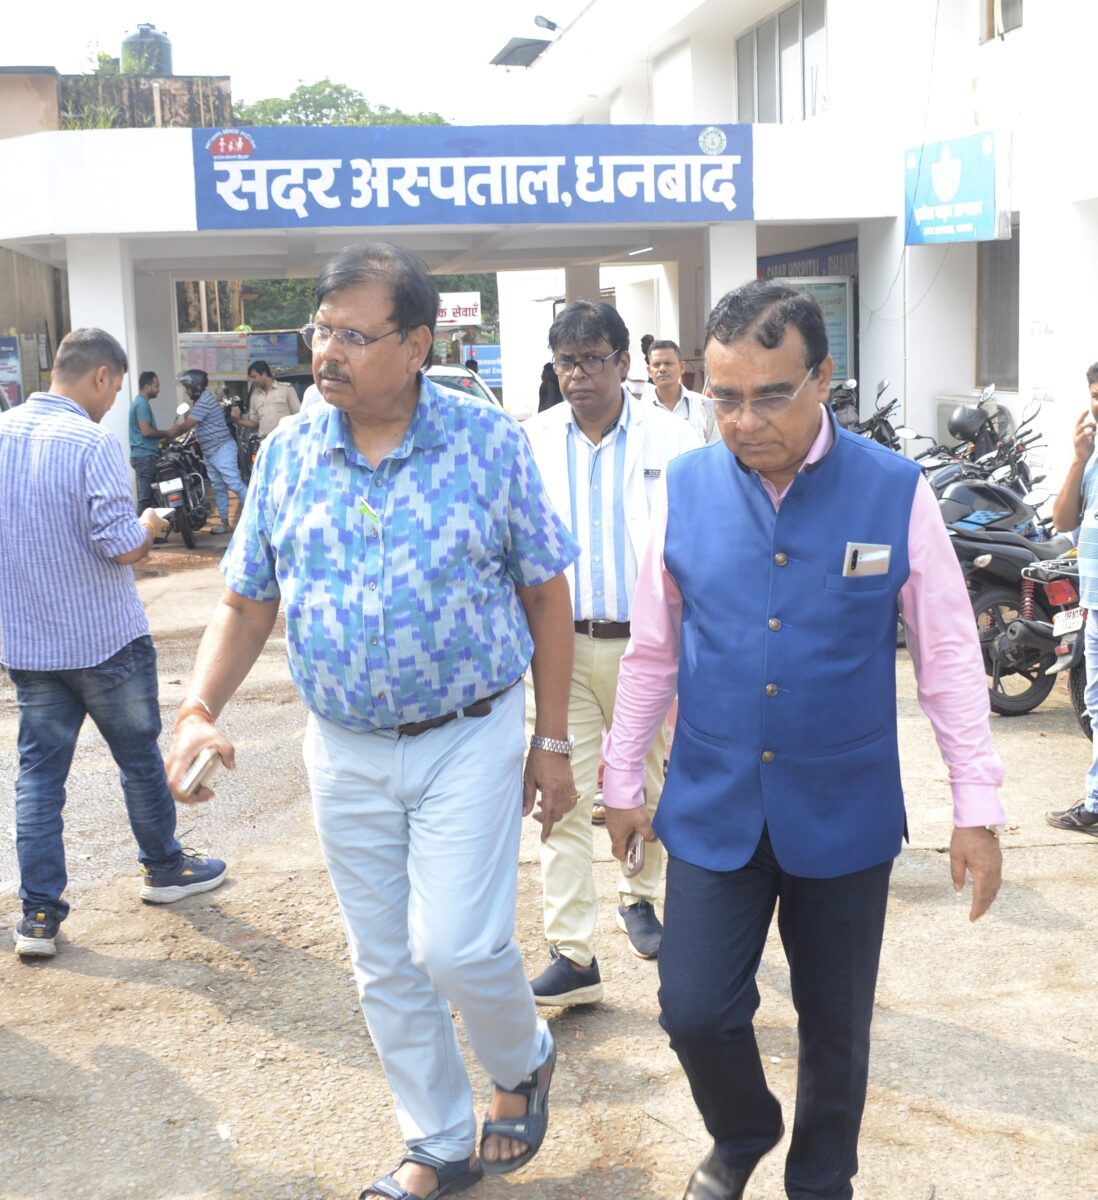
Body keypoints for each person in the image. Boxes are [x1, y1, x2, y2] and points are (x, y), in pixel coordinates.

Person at [163, 242, 580, 1200]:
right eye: (323, 330)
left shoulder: (485, 443)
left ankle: (522, 1058)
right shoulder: (288, 453)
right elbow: (246, 601)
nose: (329, 352)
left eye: (356, 335)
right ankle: (437, 1143)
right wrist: (196, 709)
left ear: (417, 345)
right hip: (345, 747)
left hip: (468, 733)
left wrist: (551, 742)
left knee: (457, 946)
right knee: (385, 961)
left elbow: (545, 592)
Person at [601, 280, 1005, 1200]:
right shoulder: (685, 490)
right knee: (694, 1009)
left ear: (823, 379)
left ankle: (822, 1180)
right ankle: (743, 1129)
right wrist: (622, 780)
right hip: (712, 803)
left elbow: (947, 657)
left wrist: (976, 808)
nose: (745, 422)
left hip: (844, 809)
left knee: (835, 1025)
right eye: (724, 398)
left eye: (770, 395)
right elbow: (653, 652)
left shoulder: (894, 491)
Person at [0, 329, 227, 960]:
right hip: (103, 642)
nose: (113, 402)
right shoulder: (90, 441)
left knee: (39, 778)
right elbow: (120, 545)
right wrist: (148, 524)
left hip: (30, 645)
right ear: (101, 376)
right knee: (138, 761)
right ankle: (164, 869)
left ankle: (38, 916)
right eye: (117, 387)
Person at [522, 301, 700, 999]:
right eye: (566, 362)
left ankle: (640, 896)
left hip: (644, 650)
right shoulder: (532, 440)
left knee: (648, 784)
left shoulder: (675, 440)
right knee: (560, 795)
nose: (578, 375)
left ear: (624, 364)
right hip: (560, 649)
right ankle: (572, 952)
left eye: (593, 360)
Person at [1046, 361, 1098, 835]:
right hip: (1095, 601)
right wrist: (1078, 459)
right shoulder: (1093, 458)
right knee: (1095, 703)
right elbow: (1063, 521)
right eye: (1096, 396)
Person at [174, 368, 248, 535]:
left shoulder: (204, 401)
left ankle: (257, 515)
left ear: (196, 387)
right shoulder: (200, 401)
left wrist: (168, 434)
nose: (186, 391)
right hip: (210, 452)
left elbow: (186, 426)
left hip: (222, 448)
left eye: (187, 387)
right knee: (219, 488)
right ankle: (224, 523)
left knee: (234, 483)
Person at [128, 371, 182, 515]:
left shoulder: (140, 403)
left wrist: (163, 438)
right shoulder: (142, 404)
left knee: (151, 498)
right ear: (147, 387)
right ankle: (140, 529)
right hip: (145, 457)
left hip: (145, 455)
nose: (158, 390)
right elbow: (146, 431)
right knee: (145, 500)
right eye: (156, 386)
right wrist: (167, 433)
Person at [645, 339, 715, 443]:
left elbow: (715, 446)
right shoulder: (640, 409)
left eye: (668, 363)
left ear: (682, 367)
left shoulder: (703, 406)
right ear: (649, 371)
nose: (662, 369)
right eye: (656, 364)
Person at [231, 359, 301, 440]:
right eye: (250, 378)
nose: (252, 381)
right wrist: (238, 421)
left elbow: (299, 415)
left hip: (285, 439)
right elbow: (255, 423)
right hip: (265, 441)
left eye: (254, 377)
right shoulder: (255, 396)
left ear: (264, 374)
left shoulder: (286, 389)